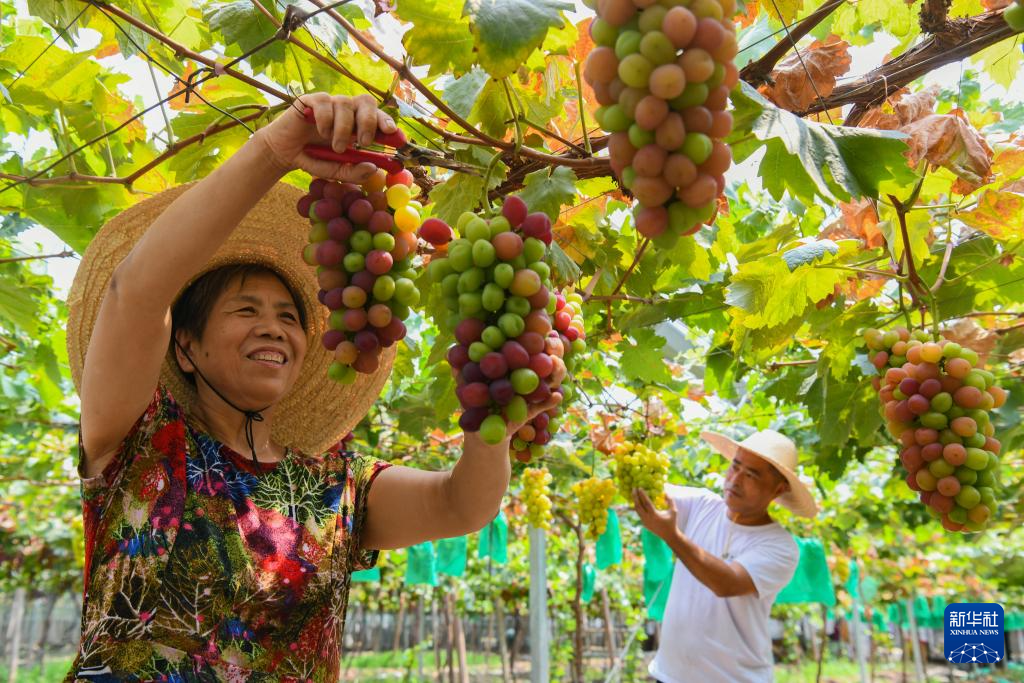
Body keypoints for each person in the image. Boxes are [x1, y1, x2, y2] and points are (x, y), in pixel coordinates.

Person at [64, 92, 560, 682]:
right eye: (245, 310)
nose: (273, 326)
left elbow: (462, 504)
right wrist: (272, 152)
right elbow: (137, 294)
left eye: (290, 316)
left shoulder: (334, 486)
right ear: (186, 347)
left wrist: (495, 404)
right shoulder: (140, 444)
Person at [632, 429, 818, 683]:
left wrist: (672, 536)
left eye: (751, 474)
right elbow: (648, 489)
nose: (736, 479)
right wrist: (622, 448)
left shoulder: (780, 546)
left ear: (778, 489)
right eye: (736, 466)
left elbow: (727, 583)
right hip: (668, 676)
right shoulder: (702, 504)